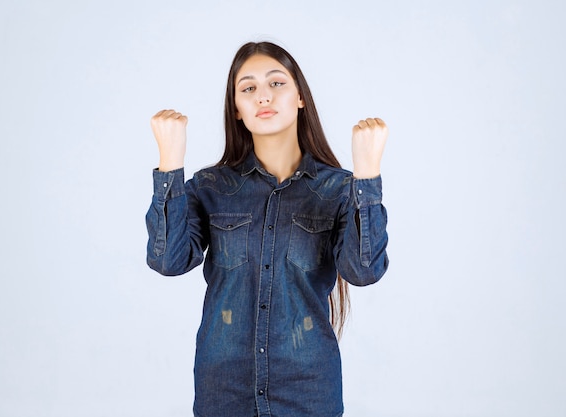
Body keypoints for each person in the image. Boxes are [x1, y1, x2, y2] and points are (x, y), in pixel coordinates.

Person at [146, 41, 389, 417]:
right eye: (248, 88)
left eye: (276, 83)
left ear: (300, 98)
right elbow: (168, 260)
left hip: (308, 392)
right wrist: (169, 164)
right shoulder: (211, 187)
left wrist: (368, 175)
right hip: (224, 391)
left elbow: (363, 270)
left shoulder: (338, 189)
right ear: (238, 110)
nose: (263, 96)